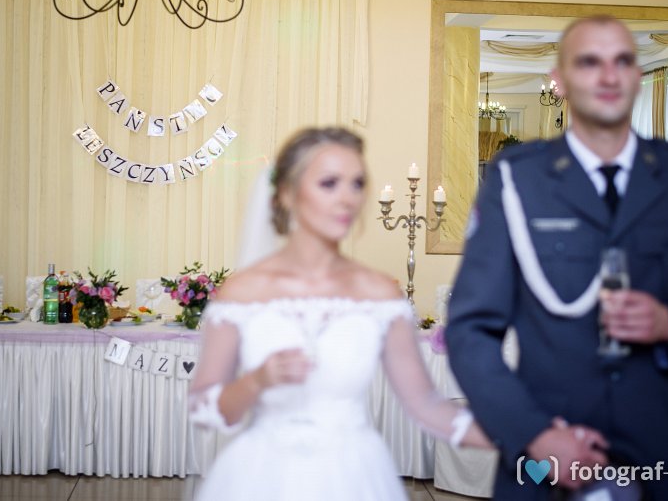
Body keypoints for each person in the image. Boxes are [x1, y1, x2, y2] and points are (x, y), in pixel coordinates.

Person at [445, 15, 668, 500]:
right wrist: (533, 433)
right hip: (546, 441)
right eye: (589, 62)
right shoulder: (518, 179)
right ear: (561, 80)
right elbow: (470, 331)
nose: (608, 76)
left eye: (622, 61)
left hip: (663, 447)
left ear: (637, 75)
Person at [188, 127, 495, 501]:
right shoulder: (243, 292)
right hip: (262, 476)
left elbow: (426, 405)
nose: (348, 198)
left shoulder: (379, 293)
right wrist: (256, 381)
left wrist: (527, 437)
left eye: (357, 184)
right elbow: (203, 410)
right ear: (286, 193)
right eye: (329, 183)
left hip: (354, 475)